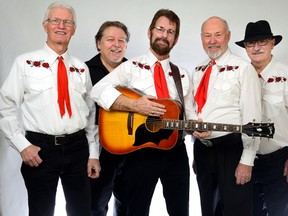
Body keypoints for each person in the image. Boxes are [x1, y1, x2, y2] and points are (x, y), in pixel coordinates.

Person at [91, 9, 209, 216]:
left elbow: (188, 114)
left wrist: (196, 128)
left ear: (176, 38)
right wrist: (135, 105)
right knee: (136, 210)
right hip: (141, 151)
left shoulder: (181, 74)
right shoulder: (131, 67)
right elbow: (98, 90)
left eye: (170, 32)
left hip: (175, 151)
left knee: (180, 209)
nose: (164, 35)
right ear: (150, 32)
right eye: (160, 29)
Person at [0, 2, 100, 216]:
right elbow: (5, 106)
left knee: (82, 211)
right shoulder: (25, 63)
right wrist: (22, 145)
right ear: (45, 25)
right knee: (41, 211)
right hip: (41, 149)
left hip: (78, 148)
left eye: (67, 22)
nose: (61, 25)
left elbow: (91, 114)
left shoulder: (81, 68)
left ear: (74, 29)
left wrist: (93, 154)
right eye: (55, 20)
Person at [191, 16, 262, 216]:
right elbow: (197, 111)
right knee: (208, 210)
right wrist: (195, 149)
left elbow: (253, 116)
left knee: (236, 210)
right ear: (201, 38)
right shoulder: (198, 70)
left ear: (228, 36)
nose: (212, 40)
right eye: (207, 36)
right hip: (203, 151)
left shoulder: (243, 68)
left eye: (218, 35)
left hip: (232, 150)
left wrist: (247, 160)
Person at [236, 20, 288, 216]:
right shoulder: (238, 75)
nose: (256, 48)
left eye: (262, 42)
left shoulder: (285, 75)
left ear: (272, 43)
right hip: (242, 160)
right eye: (251, 43)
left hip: (279, 162)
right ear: (246, 48)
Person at [85, 21, 130, 216]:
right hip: (97, 152)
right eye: (110, 39)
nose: (116, 44)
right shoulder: (84, 71)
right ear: (98, 43)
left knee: (127, 206)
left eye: (121, 40)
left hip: (130, 151)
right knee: (95, 206)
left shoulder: (134, 71)